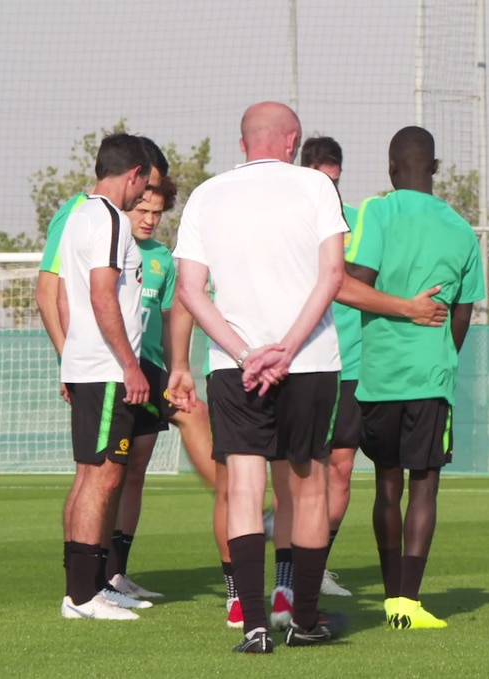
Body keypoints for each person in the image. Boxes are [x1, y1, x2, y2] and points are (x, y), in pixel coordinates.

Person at [174, 102, 349, 653]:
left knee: (245, 488)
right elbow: (334, 274)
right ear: (292, 139)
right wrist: (287, 350)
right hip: (311, 361)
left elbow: (190, 291)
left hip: (234, 368)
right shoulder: (317, 189)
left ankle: (253, 627)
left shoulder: (206, 195)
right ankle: (303, 619)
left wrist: (248, 352)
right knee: (308, 484)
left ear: (243, 140)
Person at [346, 125, 483, 629]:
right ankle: (409, 601)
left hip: (379, 375)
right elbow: (464, 312)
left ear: (390, 168)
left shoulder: (376, 212)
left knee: (386, 485)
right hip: (431, 376)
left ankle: (388, 598)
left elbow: (352, 284)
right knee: (425, 486)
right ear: (435, 168)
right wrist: (443, 354)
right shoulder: (462, 229)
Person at [104, 177, 222, 601]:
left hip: (153, 372)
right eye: (143, 211)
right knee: (108, 476)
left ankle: (118, 575)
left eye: (157, 213)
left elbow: (174, 318)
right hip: (118, 373)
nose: (151, 220)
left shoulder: (164, 261)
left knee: (135, 472)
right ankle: (94, 577)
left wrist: (179, 367)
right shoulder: (112, 246)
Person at [57, 133, 153, 620]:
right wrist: (130, 365)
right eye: (144, 182)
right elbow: (101, 295)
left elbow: (62, 294)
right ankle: (81, 596)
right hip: (107, 370)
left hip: (88, 365)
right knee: (103, 479)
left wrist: (71, 358)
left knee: (88, 477)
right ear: (133, 173)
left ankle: (87, 586)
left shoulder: (78, 215)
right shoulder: (112, 219)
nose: (144, 195)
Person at [299, 135, 359, 598]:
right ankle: (287, 562)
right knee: (298, 468)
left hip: (354, 365)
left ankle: (316, 566)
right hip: (303, 364)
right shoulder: (290, 222)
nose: (330, 192)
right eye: (323, 181)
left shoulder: (356, 223)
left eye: (335, 183)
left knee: (339, 468)